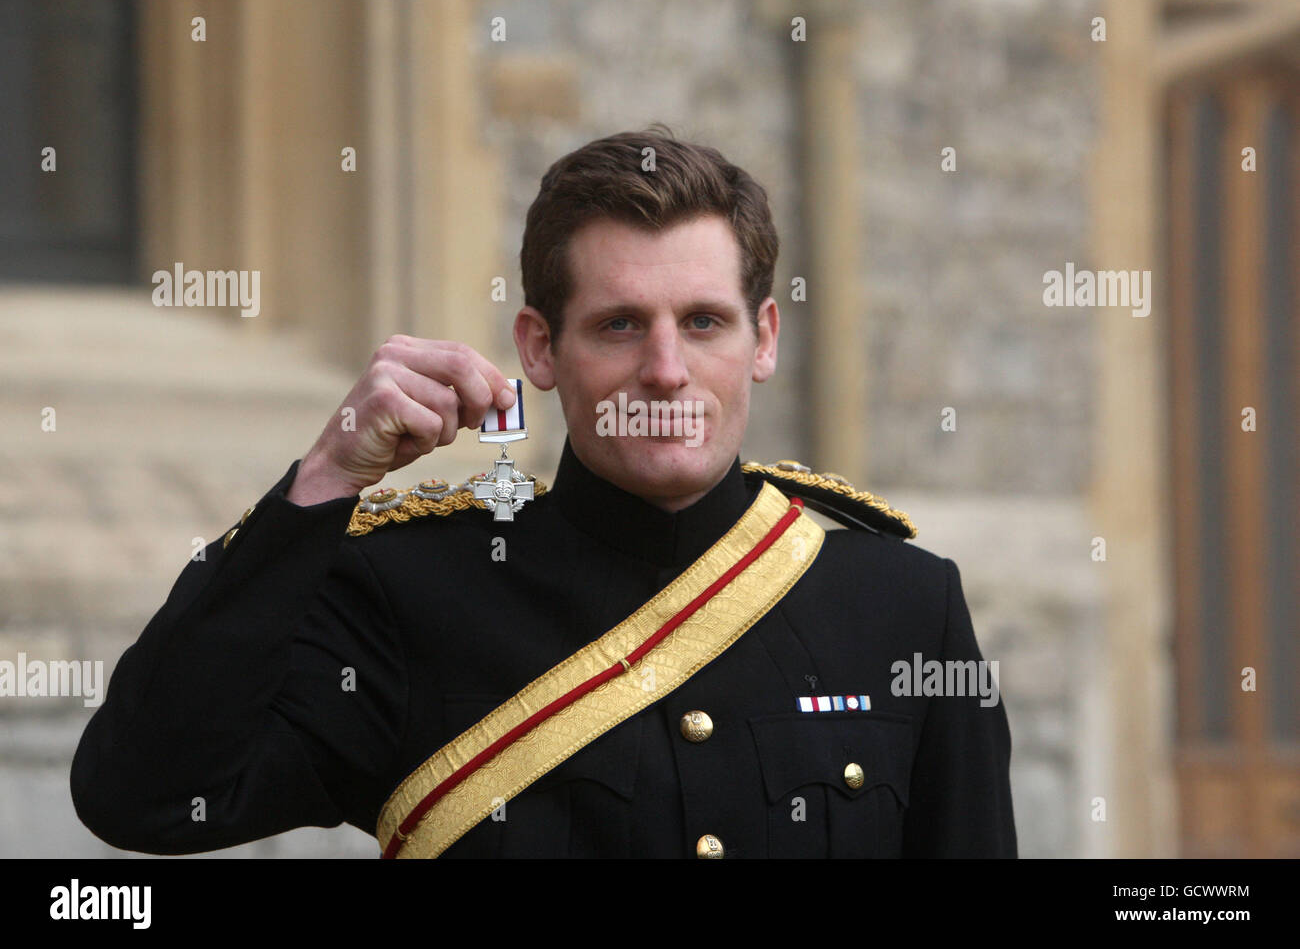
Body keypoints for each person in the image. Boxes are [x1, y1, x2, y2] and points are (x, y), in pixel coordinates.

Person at [71, 127, 1016, 858]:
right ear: (538, 349)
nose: (665, 369)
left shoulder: (901, 608)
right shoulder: (408, 598)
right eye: (617, 324)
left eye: (703, 322)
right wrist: (323, 483)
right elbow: (142, 793)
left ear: (763, 340)